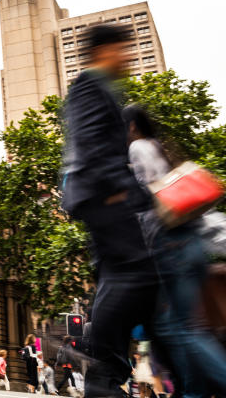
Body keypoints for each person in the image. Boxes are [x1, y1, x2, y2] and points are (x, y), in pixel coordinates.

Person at [61, 24, 159, 393]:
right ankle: (103, 377)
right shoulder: (90, 84)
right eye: (124, 49)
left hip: (104, 195)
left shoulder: (101, 87)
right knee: (135, 277)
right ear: (105, 50)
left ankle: (104, 377)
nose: (129, 58)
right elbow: (88, 142)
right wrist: (117, 190)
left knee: (123, 281)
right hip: (104, 196)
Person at [123, 104, 226, 395]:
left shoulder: (139, 148)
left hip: (172, 245)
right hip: (192, 244)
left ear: (131, 127)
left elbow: (148, 197)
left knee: (179, 328)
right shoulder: (162, 148)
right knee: (181, 327)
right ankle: (193, 392)